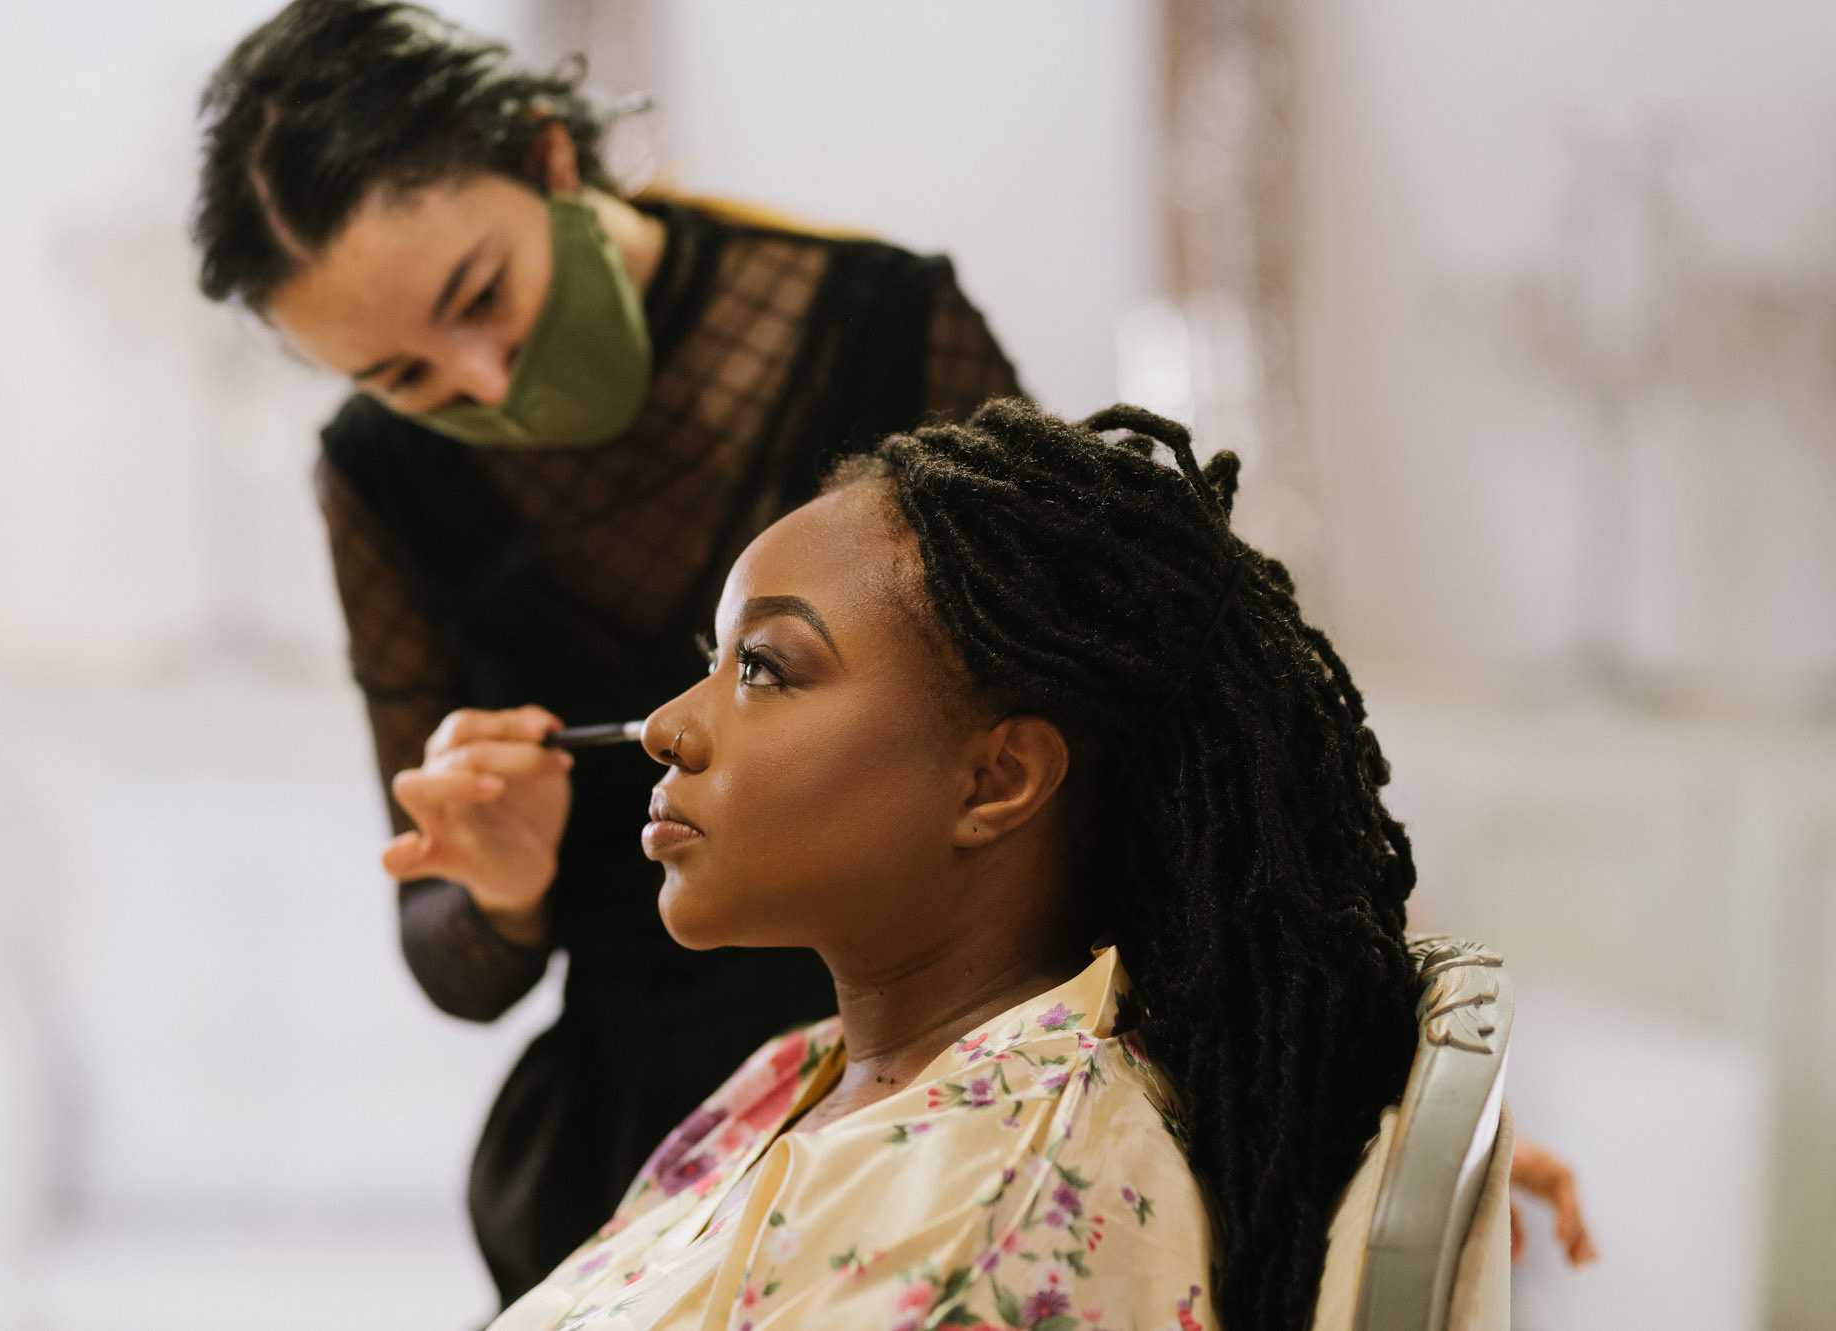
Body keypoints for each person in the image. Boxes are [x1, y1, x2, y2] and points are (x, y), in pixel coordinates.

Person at [189, 0, 1019, 1302]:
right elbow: (450, 959)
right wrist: (498, 885)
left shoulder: (880, 323)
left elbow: (1086, 718)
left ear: (548, 155)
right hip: (635, 1151)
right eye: (404, 376)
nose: (483, 379)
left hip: (945, 1070)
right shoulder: (379, 476)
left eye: (481, 295)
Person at [390, 400, 1470, 1331]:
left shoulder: (990, 1226)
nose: (669, 727)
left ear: (996, 779)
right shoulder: (807, 1071)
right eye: (711, 662)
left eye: (762, 667)